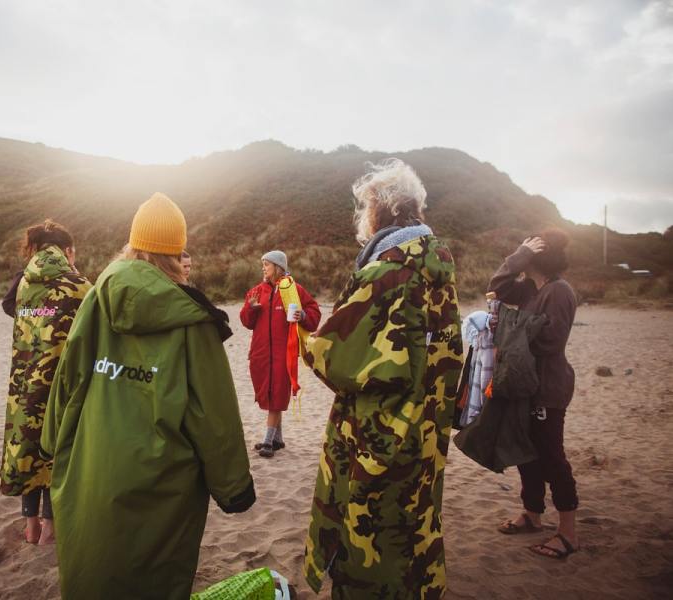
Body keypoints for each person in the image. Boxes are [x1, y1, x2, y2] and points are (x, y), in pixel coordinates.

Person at [42, 192, 255, 599]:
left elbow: (68, 374)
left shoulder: (96, 295)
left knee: (92, 569)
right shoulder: (193, 317)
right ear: (176, 252)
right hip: (161, 478)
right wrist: (234, 487)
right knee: (152, 578)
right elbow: (213, 412)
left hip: (90, 460)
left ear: (134, 244)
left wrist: (53, 439)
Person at [302, 159, 463, 599]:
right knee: (415, 528)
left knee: (368, 535)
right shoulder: (438, 268)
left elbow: (337, 359)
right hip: (426, 431)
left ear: (379, 209)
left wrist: (308, 339)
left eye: (365, 207)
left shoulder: (387, 271)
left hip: (381, 437)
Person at [0, 220, 91, 546]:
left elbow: (12, 307)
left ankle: (31, 525)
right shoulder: (80, 286)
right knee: (56, 449)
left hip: (24, 383)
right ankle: (51, 528)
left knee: (26, 444)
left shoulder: (24, 283)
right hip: (61, 384)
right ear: (67, 251)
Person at [490, 230, 580, 559]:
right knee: (527, 454)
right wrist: (518, 255)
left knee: (551, 456)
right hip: (524, 385)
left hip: (548, 388)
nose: (524, 259)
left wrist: (510, 330)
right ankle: (532, 515)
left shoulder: (559, 291)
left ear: (541, 259)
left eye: (531, 253)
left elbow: (550, 341)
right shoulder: (530, 288)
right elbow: (497, 287)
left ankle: (568, 533)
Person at [239, 250, 320, 458]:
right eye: (262, 264)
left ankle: (267, 441)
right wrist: (251, 308)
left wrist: (302, 315)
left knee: (276, 393)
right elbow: (246, 321)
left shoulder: (294, 290)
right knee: (268, 392)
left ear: (278, 267)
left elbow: (314, 312)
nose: (263, 268)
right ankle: (278, 438)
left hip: (284, 353)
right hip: (260, 354)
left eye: (266, 264)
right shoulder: (257, 291)